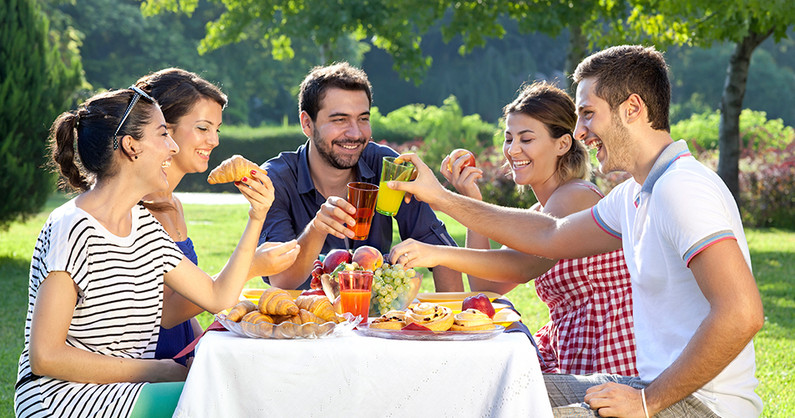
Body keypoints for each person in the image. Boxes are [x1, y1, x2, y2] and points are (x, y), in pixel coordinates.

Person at [388, 45, 763, 417]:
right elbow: (550, 235)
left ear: (632, 109)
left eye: (587, 114)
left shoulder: (681, 187)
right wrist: (444, 199)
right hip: (650, 387)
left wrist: (647, 403)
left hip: (702, 405)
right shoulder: (635, 194)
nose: (580, 131)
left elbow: (742, 313)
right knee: (487, 389)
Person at [15, 87, 275, 417]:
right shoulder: (73, 227)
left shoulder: (143, 225)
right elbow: (46, 356)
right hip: (60, 399)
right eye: (163, 133)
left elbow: (216, 296)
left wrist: (257, 216)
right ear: (131, 146)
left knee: (237, 396)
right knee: (227, 404)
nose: (173, 146)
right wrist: (158, 370)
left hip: (122, 394)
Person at [393, 81, 636, 376]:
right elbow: (486, 288)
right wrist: (472, 201)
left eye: (526, 139)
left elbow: (521, 267)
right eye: (509, 139)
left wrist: (438, 251)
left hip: (609, 359)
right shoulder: (540, 212)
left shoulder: (577, 196)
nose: (513, 149)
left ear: (562, 143)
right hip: (572, 350)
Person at [135, 68, 299, 365]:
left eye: (217, 129)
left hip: (179, 356)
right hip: (149, 368)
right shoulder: (138, 207)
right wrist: (252, 266)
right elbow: (167, 314)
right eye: (202, 128)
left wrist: (200, 348)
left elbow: (183, 313)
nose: (214, 140)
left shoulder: (173, 205)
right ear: (164, 129)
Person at [252, 62, 463, 291]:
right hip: (302, 321)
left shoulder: (387, 167)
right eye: (340, 120)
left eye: (363, 118)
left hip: (374, 322)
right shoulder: (276, 179)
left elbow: (442, 253)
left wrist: (450, 320)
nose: (355, 133)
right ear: (307, 124)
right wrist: (318, 228)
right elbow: (282, 279)